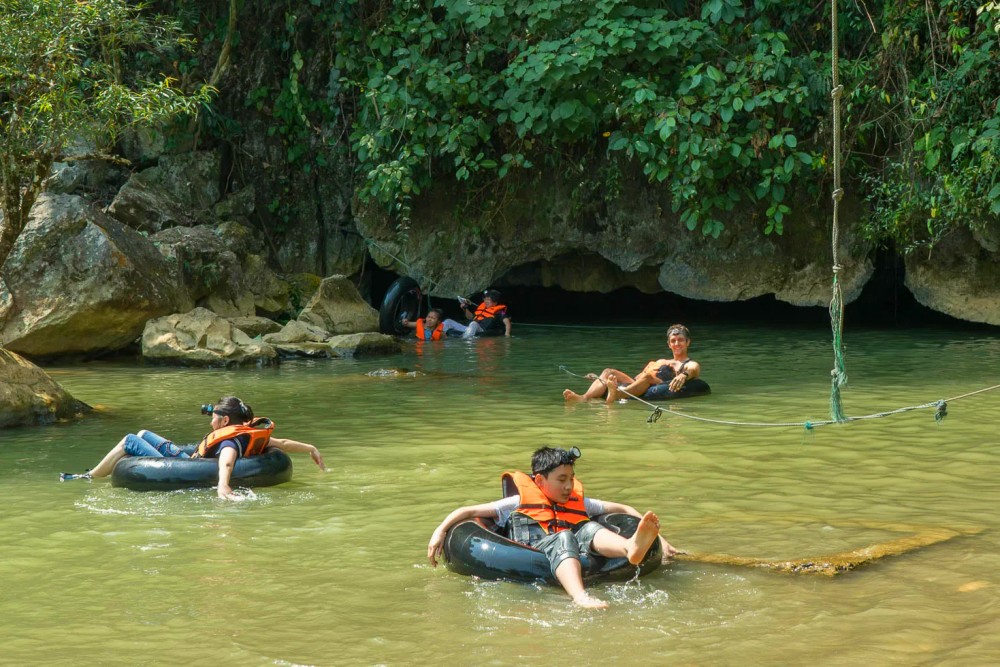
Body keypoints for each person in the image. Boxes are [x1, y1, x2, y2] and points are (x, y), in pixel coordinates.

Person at [426, 446, 671, 609]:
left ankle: (629, 548)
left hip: (575, 548)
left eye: (571, 479)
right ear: (540, 481)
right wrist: (440, 531)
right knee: (564, 536)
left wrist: (661, 540)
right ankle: (580, 596)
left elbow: (624, 508)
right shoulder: (517, 502)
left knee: (586, 529)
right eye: (562, 480)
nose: (568, 486)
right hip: (535, 551)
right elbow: (467, 512)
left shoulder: (579, 503)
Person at [60, 396, 325, 500]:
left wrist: (223, 486)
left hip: (186, 465)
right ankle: (93, 474)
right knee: (142, 433)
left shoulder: (230, 441)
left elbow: (228, 460)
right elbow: (284, 444)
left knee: (130, 440)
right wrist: (311, 448)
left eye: (214, 417)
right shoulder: (251, 435)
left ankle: (91, 476)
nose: (210, 421)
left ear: (223, 421)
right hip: (188, 457)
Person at [563, 324, 701, 403]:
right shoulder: (661, 361)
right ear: (669, 344)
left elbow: (694, 369)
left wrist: (684, 375)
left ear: (688, 342)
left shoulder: (688, 363)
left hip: (656, 384)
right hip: (637, 383)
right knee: (608, 371)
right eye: (673, 341)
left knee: (648, 377)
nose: (677, 343)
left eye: (680, 340)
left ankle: (615, 395)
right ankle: (583, 398)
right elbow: (639, 376)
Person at [440, 289, 512, 338]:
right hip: (470, 329)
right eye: (485, 299)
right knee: (448, 321)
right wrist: (465, 308)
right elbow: (470, 317)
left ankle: (464, 340)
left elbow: (507, 322)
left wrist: (507, 333)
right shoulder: (481, 308)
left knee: (473, 324)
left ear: (495, 302)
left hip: (481, 330)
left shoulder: (499, 312)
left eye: (489, 300)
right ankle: (439, 335)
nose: (486, 301)